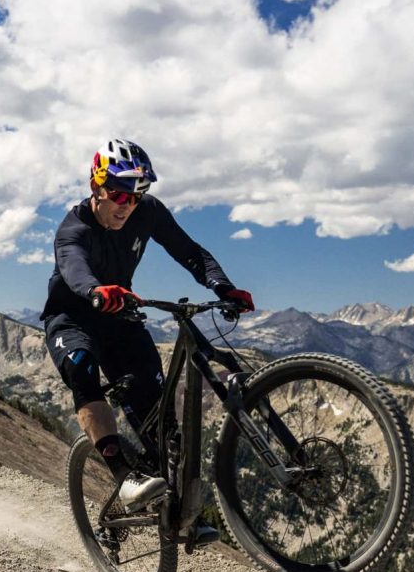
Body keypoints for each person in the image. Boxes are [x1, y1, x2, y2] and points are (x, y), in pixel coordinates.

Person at [41, 139, 254, 528]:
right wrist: (95, 291)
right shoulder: (73, 229)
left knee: (158, 417)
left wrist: (224, 287)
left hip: (120, 315)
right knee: (82, 369)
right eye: (119, 194)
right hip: (73, 318)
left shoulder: (147, 213)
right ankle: (123, 477)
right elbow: (73, 268)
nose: (127, 205)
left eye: (137, 196)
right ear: (96, 187)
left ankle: (177, 511)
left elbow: (190, 251)